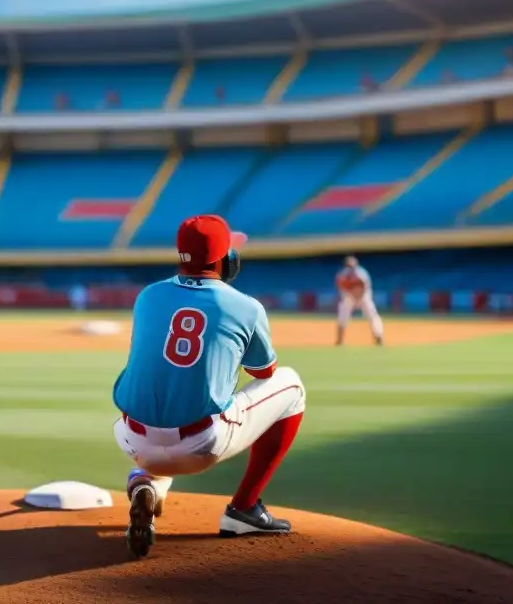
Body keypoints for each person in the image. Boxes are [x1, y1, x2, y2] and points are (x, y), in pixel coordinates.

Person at [112, 214, 306, 558]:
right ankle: (244, 509)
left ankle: (146, 482)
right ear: (226, 259)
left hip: (133, 439)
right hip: (202, 444)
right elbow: (264, 372)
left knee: (165, 396)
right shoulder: (246, 307)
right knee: (291, 386)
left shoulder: (148, 296)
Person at [335, 255, 384, 346]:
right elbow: (340, 286)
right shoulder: (342, 274)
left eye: (352, 265)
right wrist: (351, 294)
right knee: (342, 316)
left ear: (356, 265)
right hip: (349, 297)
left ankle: (379, 337)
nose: (350, 268)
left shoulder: (362, 273)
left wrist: (359, 296)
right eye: (348, 266)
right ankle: (339, 340)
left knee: (372, 315)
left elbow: (365, 287)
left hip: (364, 296)